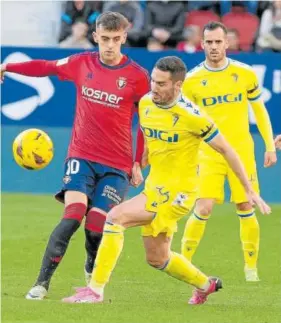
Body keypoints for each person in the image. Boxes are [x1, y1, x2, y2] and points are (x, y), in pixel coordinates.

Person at [61, 56, 271, 305]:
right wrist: (139, 164)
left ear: (178, 86)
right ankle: (206, 285)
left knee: (115, 218)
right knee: (157, 258)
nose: (154, 87)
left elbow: (228, 150)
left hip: (179, 193)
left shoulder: (193, 116)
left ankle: (95, 291)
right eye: (153, 81)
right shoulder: (147, 104)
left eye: (161, 83)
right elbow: (151, 142)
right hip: (155, 186)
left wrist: (249, 190)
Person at [0, 12, 150, 300]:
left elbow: (146, 121)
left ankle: (92, 266)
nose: (109, 45)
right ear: (95, 36)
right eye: (104, 39)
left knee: (96, 225)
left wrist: (137, 160)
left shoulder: (137, 77)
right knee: (72, 216)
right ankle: (41, 283)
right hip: (81, 155)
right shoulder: (81, 63)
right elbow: (45, 66)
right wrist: (7, 66)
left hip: (117, 165)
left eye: (115, 40)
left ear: (123, 38)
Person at [181, 21, 277, 282]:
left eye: (218, 42)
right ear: (202, 44)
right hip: (209, 153)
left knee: (246, 205)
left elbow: (259, 111)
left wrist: (269, 145)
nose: (213, 47)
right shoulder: (191, 80)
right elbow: (185, 121)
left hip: (242, 151)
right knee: (203, 207)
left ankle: (250, 269)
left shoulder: (245, 74)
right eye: (209, 42)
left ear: (227, 43)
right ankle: (183, 264)